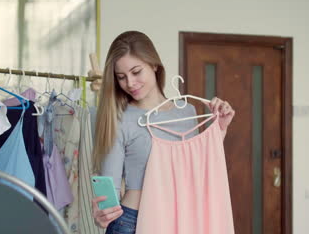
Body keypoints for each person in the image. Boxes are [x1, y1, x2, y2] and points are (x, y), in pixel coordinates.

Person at [91, 31, 235, 233]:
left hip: (180, 219)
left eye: (136, 72)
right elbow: (110, 193)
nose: (130, 83)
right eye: (121, 77)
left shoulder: (187, 111)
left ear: (154, 65)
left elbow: (197, 169)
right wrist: (102, 215)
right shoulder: (119, 119)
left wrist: (220, 128)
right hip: (133, 222)